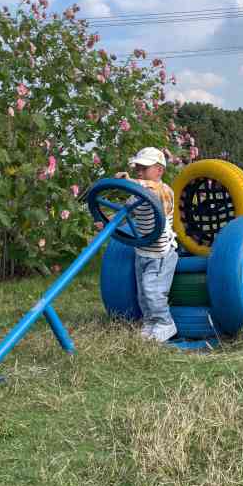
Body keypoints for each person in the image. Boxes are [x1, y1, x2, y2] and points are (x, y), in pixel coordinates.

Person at [96, 147, 179, 342]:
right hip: (142, 250)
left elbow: (154, 189)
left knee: (153, 290)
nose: (139, 172)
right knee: (143, 293)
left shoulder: (164, 191)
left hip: (161, 254)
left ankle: (166, 323)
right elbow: (124, 212)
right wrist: (106, 221)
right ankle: (150, 323)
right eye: (137, 169)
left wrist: (131, 182)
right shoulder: (136, 196)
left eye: (144, 168)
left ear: (159, 171)